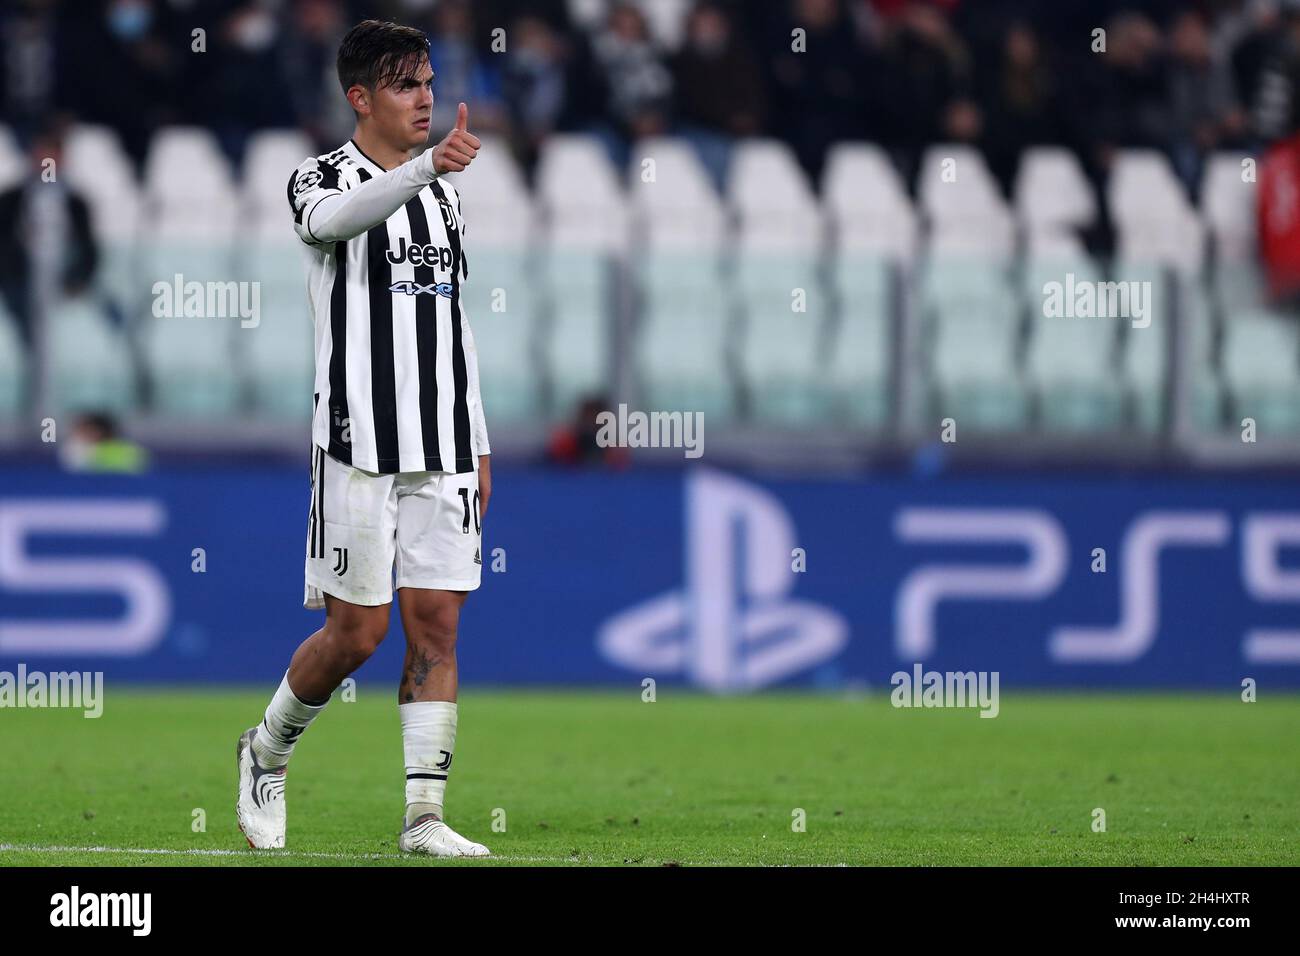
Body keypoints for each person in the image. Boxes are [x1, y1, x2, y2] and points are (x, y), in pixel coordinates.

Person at [236, 19, 491, 858]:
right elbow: (336, 224)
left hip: (445, 440)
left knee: (438, 627)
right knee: (359, 635)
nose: (424, 97)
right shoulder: (318, 177)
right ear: (360, 98)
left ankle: (424, 819)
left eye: (428, 80)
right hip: (356, 439)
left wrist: (479, 436)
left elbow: (453, 324)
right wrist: (425, 167)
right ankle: (265, 751)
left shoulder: (447, 195)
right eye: (405, 84)